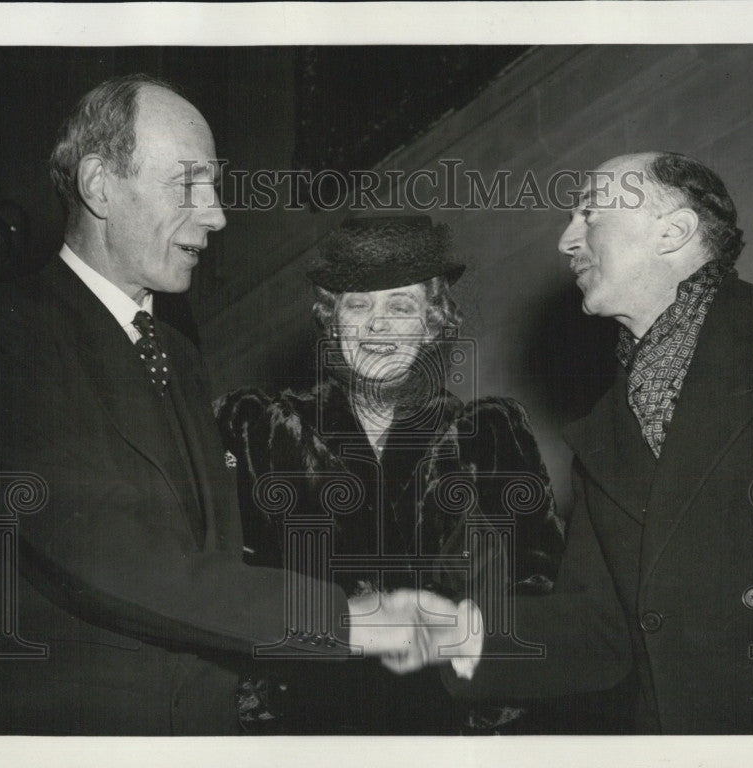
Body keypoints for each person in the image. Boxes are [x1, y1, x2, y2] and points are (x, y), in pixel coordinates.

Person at [0, 75, 418, 735]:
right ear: (100, 185)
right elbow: (107, 558)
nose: (218, 215)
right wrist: (341, 616)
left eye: (216, 187)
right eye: (190, 185)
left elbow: (201, 558)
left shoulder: (178, 351)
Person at [406, 152, 753, 734]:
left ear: (673, 231)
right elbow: (598, 635)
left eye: (591, 214)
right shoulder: (604, 433)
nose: (566, 240)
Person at [214, 215, 566, 732]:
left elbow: (537, 590)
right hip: (306, 733)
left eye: (400, 306)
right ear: (333, 322)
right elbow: (224, 585)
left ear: (432, 324)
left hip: (454, 731)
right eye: (359, 305)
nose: (378, 324)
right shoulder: (263, 431)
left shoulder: (489, 435)